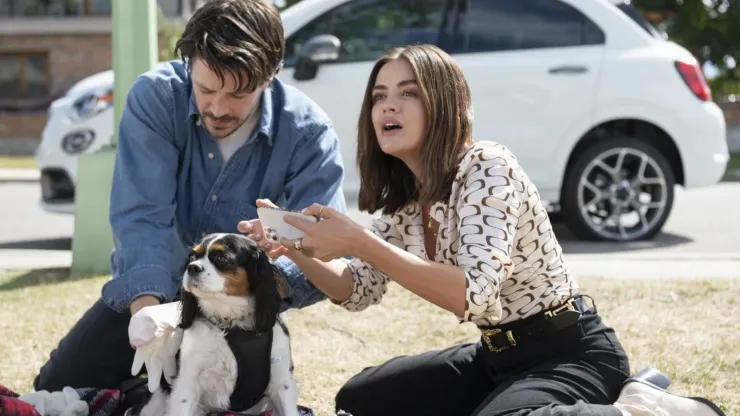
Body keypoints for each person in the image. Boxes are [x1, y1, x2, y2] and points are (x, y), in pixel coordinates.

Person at [241, 45, 726, 416]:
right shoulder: (408, 197)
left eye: (409, 93)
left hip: (571, 351)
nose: (389, 106)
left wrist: (356, 239)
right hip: (494, 355)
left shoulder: (486, 166)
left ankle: (642, 407)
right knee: (360, 398)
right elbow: (357, 289)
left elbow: (474, 295)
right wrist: (295, 247)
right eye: (380, 96)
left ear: (444, 104)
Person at [34, 0, 346, 397]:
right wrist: (151, 317)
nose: (217, 108)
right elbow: (142, 218)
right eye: (206, 88)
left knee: (233, 402)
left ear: (270, 77)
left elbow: (326, 252)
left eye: (238, 93)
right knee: (53, 388)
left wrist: (237, 300)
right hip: (156, 293)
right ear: (189, 66)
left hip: (240, 308)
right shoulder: (156, 99)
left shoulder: (308, 132)